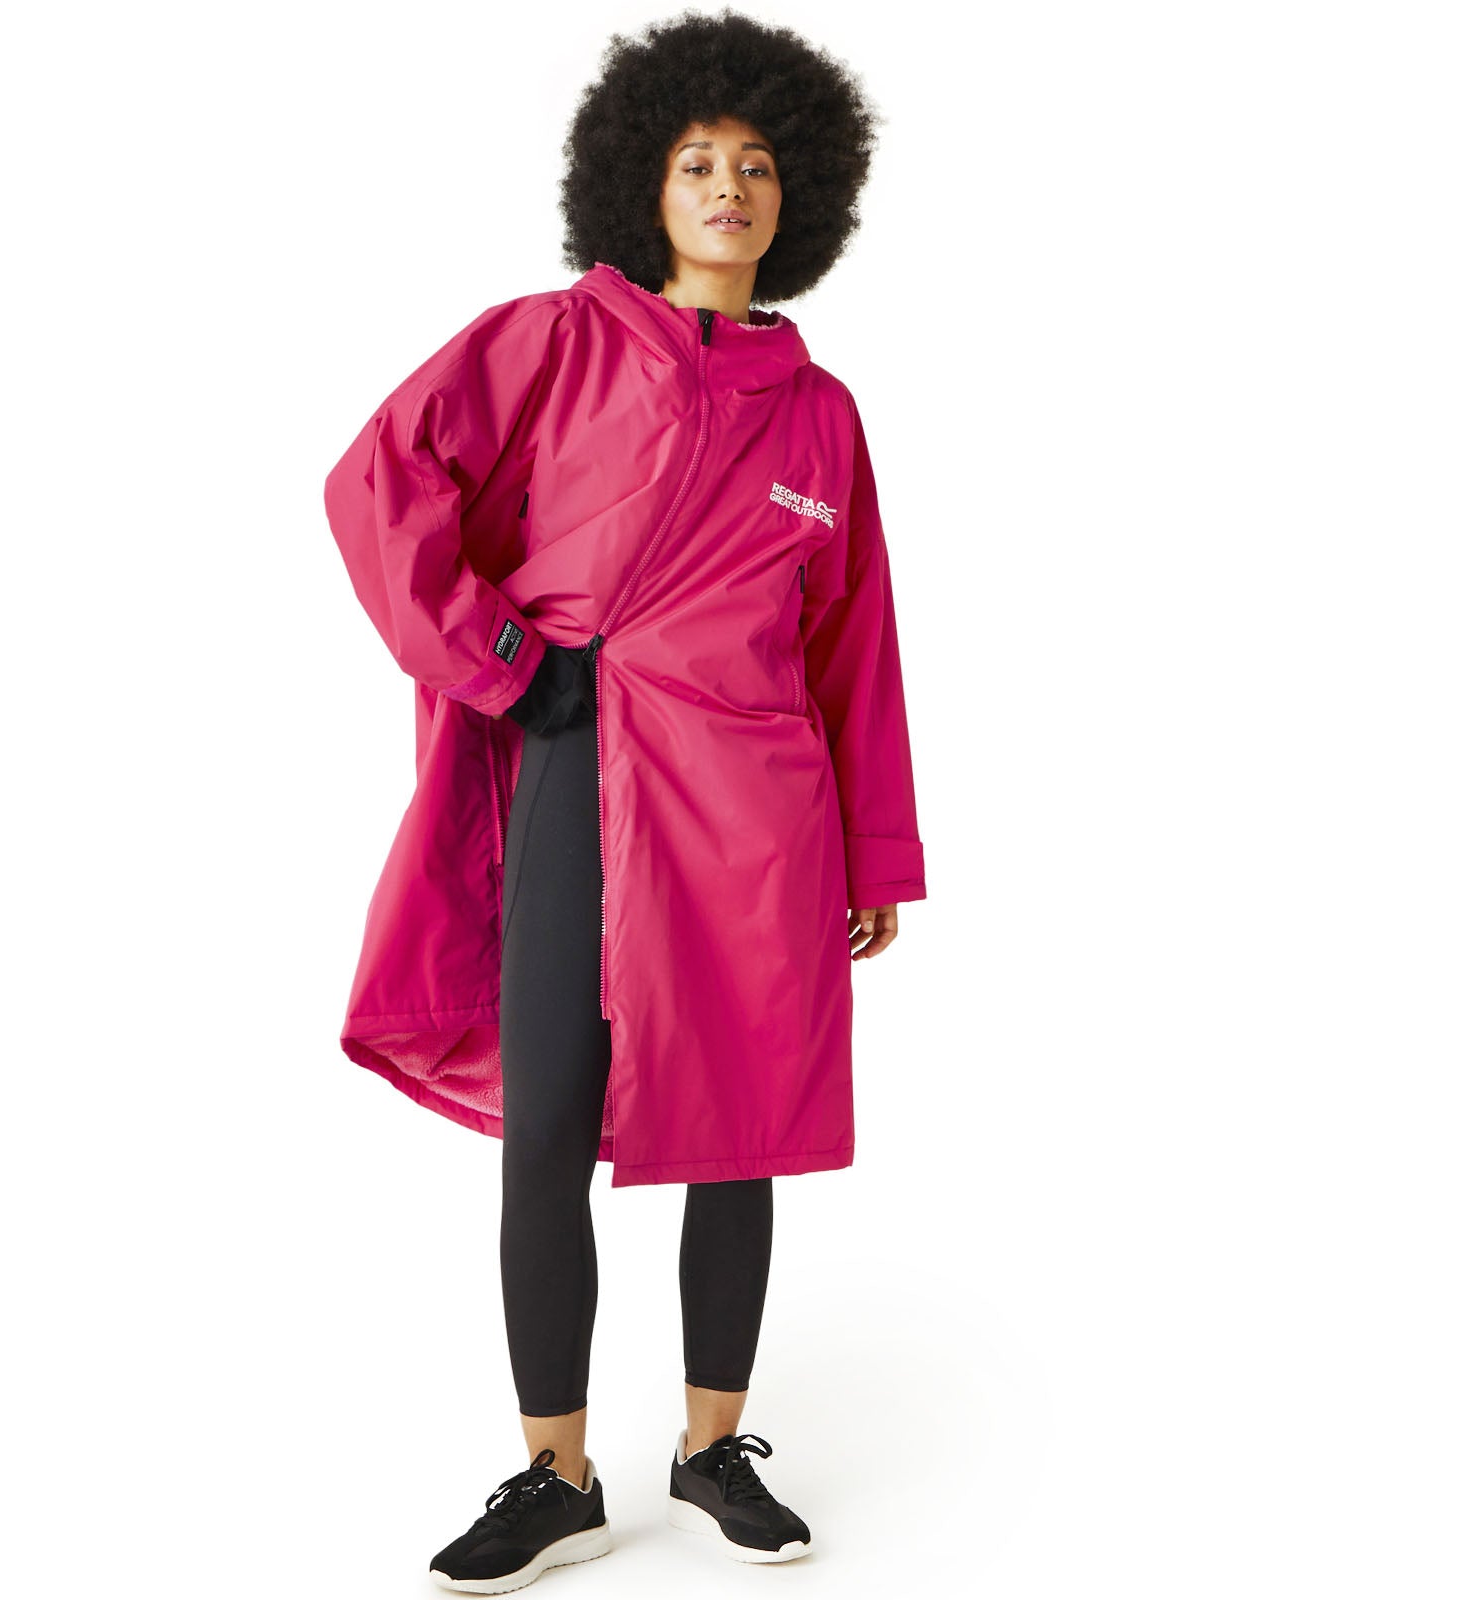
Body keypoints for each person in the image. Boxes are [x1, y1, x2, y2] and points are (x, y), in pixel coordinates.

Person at [322, 11, 927, 1591]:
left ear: (801, 198)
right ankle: (556, 1475)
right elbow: (380, 483)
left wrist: (872, 850)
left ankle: (714, 1451)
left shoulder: (822, 413)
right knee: (546, 1123)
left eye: (759, 165)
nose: (730, 187)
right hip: (577, 770)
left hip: (760, 811)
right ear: (641, 186)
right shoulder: (551, 342)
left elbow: (853, 640)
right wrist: (507, 660)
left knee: (744, 1122)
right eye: (698, 161)